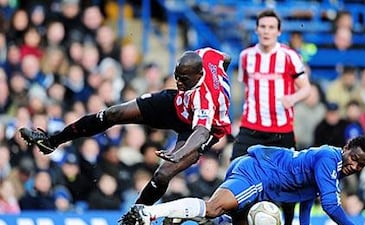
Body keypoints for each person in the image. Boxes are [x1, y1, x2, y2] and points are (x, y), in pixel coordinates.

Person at [19, 47, 232, 206]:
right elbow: (226, 59)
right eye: (176, 77)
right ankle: (51, 141)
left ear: (197, 75)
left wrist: (181, 153)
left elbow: (202, 132)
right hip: (177, 106)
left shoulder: (206, 100)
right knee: (113, 113)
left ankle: (136, 213)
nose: (178, 82)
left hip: (200, 130)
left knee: (163, 174)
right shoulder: (207, 55)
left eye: (183, 79)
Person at [119, 135, 365, 225]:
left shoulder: (332, 172)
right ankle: (148, 213)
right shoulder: (329, 159)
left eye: (360, 164)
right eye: (353, 157)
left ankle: (182, 216)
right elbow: (331, 207)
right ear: (346, 148)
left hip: (262, 180)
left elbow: (304, 200)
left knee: (221, 219)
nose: (354, 165)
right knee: (212, 208)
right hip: (259, 174)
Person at [231, 9, 311, 225]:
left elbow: (306, 89)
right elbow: (247, 89)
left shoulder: (289, 56)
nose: (266, 31)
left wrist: (292, 98)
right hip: (251, 128)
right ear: (257, 29)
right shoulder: (246, 56)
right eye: (263, 27)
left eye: (271, 27)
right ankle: (236, 220)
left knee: (290, 183)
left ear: (278, 31)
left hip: (281, 130)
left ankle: (287, 221)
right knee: (235, 173)